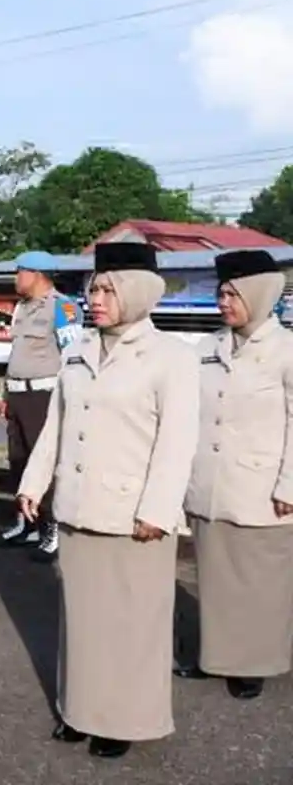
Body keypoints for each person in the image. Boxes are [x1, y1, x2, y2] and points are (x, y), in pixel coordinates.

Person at [18, 241, 199, 760]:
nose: (95, 299)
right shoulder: (78, 351)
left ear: (139, 293)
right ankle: (80, 709)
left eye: (107, 289)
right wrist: (34, 484)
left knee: (130, 625)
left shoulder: (172, 358)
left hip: (133, 516)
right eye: (94, 288)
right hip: (78, 508)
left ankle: (122, 718)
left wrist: (158, 510)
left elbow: (177, 441)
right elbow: (57, 425)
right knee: (83, 623)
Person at [180, 249, 293, 700]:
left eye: (233, 294)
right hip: (210, 484)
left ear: (261, 294)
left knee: (259, 582)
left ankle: (254, 661)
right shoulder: (207, 349)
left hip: (262, 486)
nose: (223, 302)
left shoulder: (286, 350)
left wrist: (290, 485)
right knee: (216, 577)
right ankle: (218, 655)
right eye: (220, 293)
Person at [0, 250, 83, 562]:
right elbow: (14, 356)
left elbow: (73, 357)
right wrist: (4, 394)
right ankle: (28, 525)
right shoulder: (21, 308)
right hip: (18, 395)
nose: (16, 278)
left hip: (44, 396)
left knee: (45, 463)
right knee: (19, 461)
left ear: (37, 274)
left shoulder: (64, 307)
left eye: (20, 272)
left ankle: (53, 530)